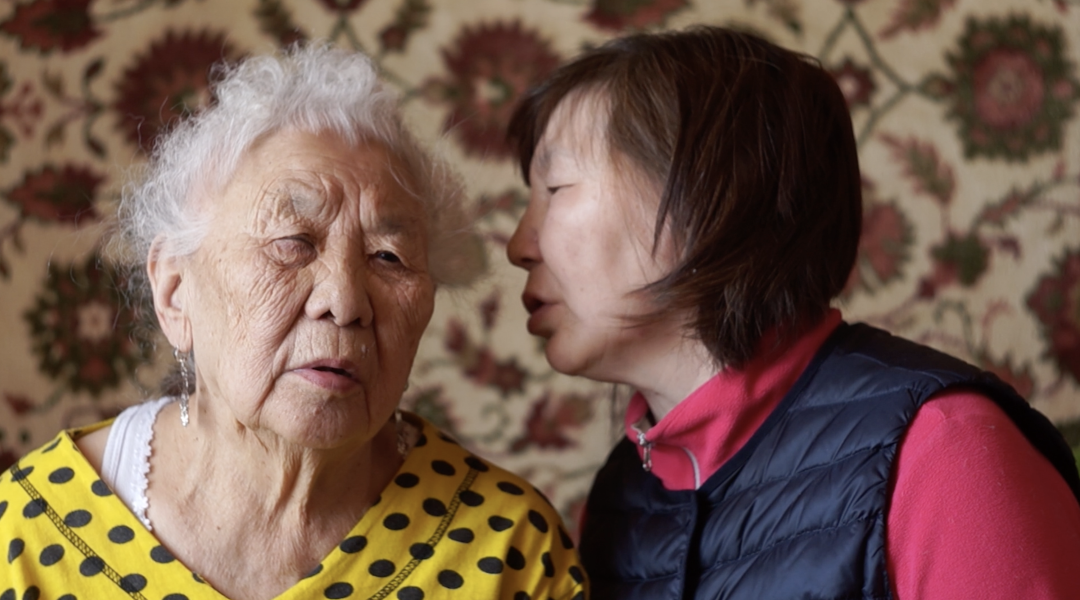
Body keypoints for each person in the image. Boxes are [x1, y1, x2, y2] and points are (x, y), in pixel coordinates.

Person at [505, 25, 1080, 600]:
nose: (518, 245)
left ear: (708, 194)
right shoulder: (622, 496)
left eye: (555, 188)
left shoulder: (946, 450)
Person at [0, 43, 587, 600]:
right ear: (175, 291)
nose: (344, 300)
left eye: (389, 257)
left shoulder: (511, 550)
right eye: (293, 242)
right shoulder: (27, 534)